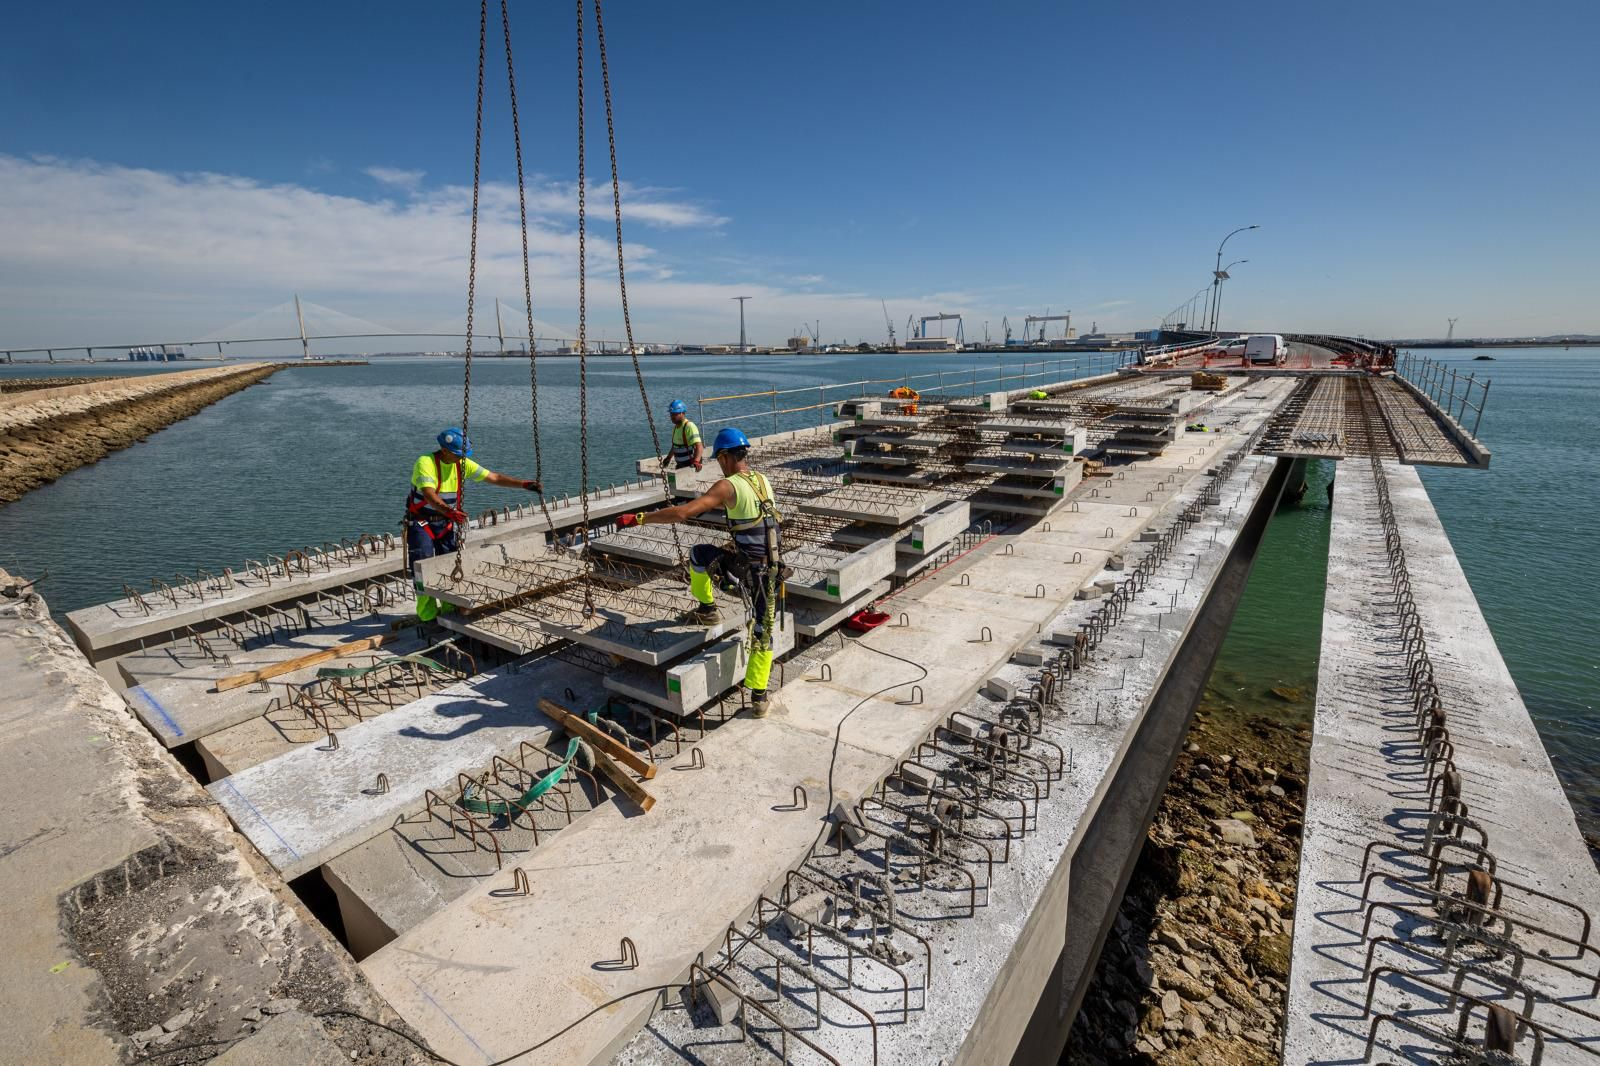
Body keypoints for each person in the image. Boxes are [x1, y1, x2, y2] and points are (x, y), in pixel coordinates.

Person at [617, 426, 780, 716]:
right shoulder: (762, 480)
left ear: (727, 457)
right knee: (762, 627)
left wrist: (639, 519)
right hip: (773, 569)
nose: (719, 464)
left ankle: (707, 608)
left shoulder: (728, 485)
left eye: (719, 459)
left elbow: (683, 513)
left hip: (748, 572)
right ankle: (759, 697)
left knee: (698, 555)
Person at [405, 427, 543, 622]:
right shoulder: (425, 462)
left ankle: (448, 609)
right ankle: (427, 615)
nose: (462, 459)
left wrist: (524, 484)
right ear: (445, 450)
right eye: (457, 455)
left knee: (448, 563)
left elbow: (493, 477)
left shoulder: (462, 464)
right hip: (422, 521)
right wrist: (449, 511)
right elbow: (428, 494)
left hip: (446, 521)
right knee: (422, 565)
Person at [663, 399, 703, 471]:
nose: (672, 416)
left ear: (682, 413)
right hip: (680, 466)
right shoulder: (676, 428)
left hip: (691, 466)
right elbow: (675, 446)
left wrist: (696, 461)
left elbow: (699, 446)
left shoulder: (689, 426)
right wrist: (668, 458)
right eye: (671, 414)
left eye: (675, 414)